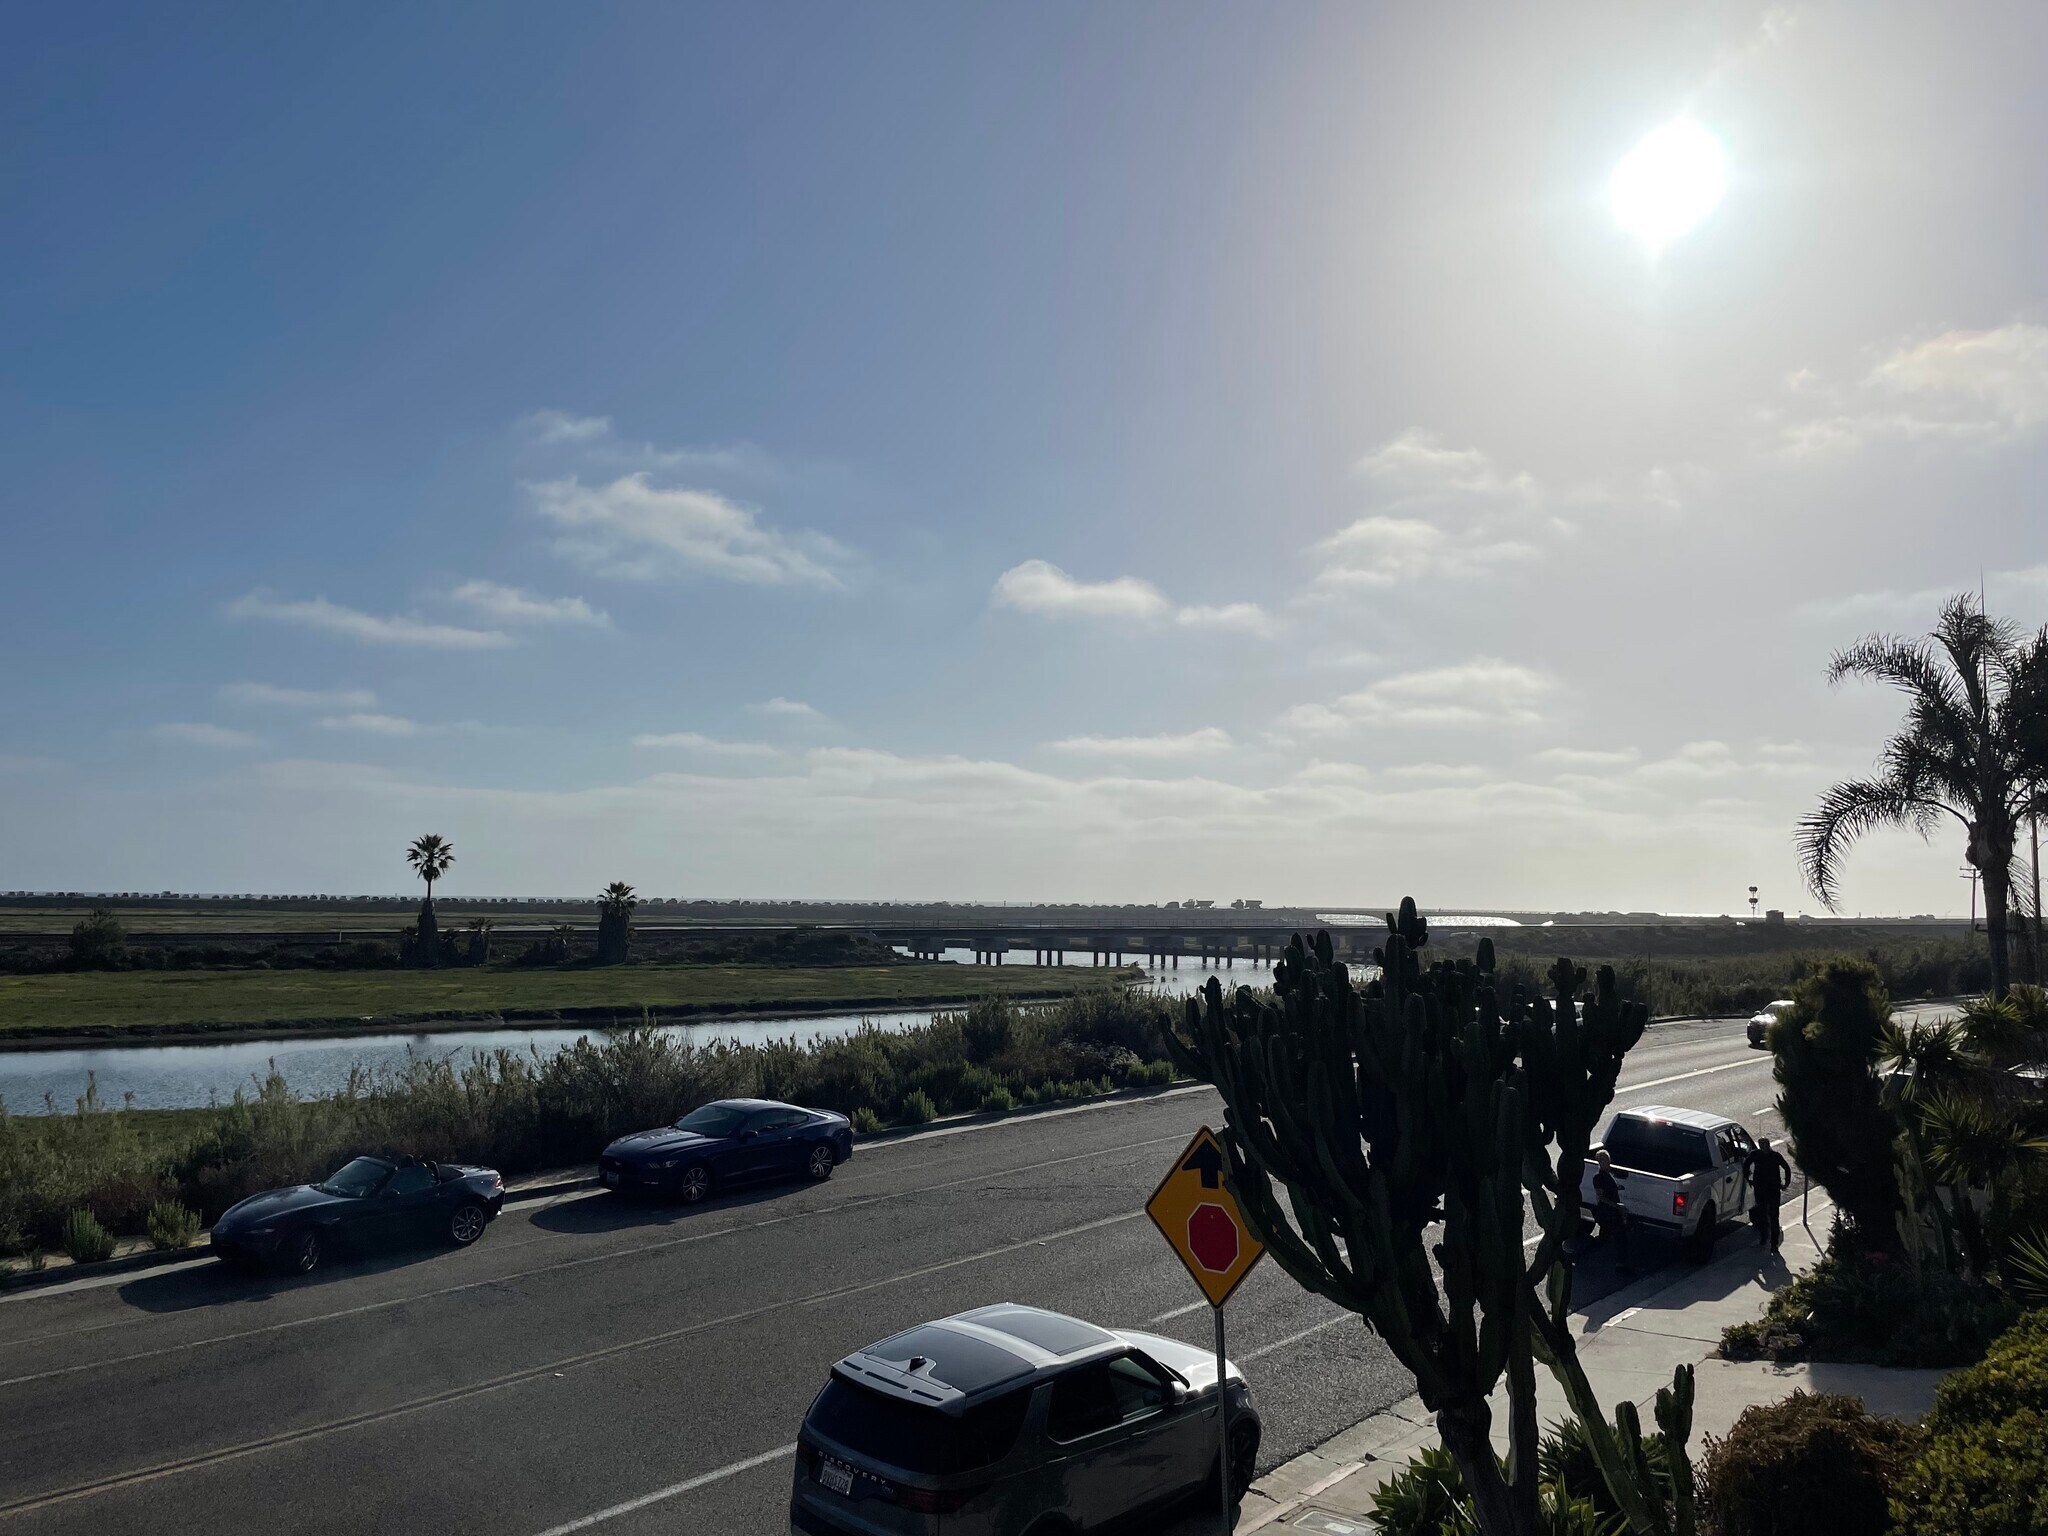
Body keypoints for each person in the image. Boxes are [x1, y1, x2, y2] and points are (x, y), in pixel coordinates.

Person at [1745, 1137, 1794, 1254]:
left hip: (1772, 1190)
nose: (1764, 1148)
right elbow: (1746, 1165)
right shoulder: (1756, 1155)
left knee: (1773, 1216)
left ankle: (1773, 1243)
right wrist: (1749, 1179)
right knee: (1762, 1215)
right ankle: (1764, 1237)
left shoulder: (1774, 1156)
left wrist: (1786, 1182)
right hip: (1762, 1189)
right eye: (1762, 1145)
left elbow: (1787, 1168)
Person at [1590, 1149, 1633, 1274]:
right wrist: (1617, 1206)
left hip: (1614, 1212)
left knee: (1613, 1238)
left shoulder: (1609, 1175)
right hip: (1608, 1212)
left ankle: (1617, 1264)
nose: (1607, 1162)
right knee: (1620, 1238)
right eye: (1604, 1160)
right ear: (1600, 1162)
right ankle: (1620, 1266)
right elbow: (1601, 1197)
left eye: (1607, 1159)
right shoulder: (1598, 1178)